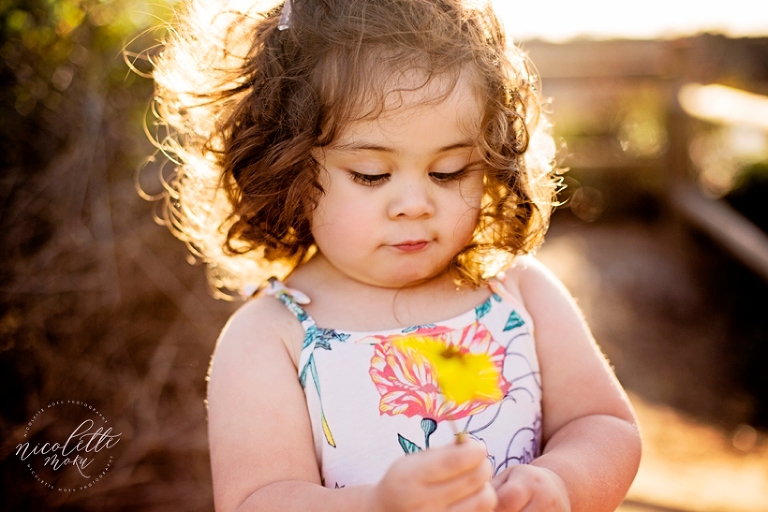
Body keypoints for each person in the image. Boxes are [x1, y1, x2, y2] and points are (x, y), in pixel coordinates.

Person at [150, 0, 642, 510]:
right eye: (371, 174)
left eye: (449, 171)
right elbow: (257, 499)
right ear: (289, 169)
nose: (414, 205)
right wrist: (377, 505)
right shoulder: (272, 335)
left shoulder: (520, 292)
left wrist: (564, 482)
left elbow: (604, 425)